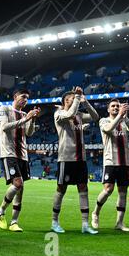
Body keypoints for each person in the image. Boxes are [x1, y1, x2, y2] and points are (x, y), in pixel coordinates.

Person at [50, 87, 100, 234]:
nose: (76, 98)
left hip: (81, 158)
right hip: (66, 157)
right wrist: (78, 97)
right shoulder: (59, 114)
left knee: (83, 189)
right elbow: (70, 113)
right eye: (73, 97)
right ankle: (54, 221)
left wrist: (86, 102)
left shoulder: (79, 114)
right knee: (61, 189)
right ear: (66, 100)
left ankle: (85, 224)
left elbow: (95, 116)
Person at [0, 89, 40, 232]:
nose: (25, 100)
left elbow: (29, 132)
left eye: (27, 98)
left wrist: (32, 119)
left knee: (21, 189)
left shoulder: (25, 114)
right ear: (15, 96)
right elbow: (4, 127)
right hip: (9, 153)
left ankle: (14, 221)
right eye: (23, 97)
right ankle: (1, 211)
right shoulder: (5, 109)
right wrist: (25, 119)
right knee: (18, 184)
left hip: (23, 154)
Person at [91, 99, 129, 232]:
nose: (116, 107)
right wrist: (119, 116)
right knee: (108, 189)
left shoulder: (123, 122)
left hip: (125, 162)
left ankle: (119, 223)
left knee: (123, 192)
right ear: (108, 109)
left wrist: (126, 118)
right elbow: (108, 129)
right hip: (110, 160)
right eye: (113, 106)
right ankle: (95, 213)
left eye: (118, 106)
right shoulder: (104, 121)